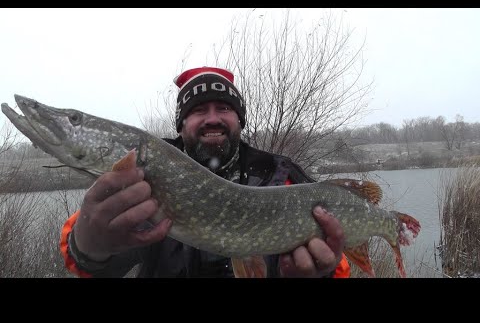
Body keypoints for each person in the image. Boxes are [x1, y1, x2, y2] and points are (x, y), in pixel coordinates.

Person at [60, 67, 351, 278]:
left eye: (223, 107)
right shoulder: (143, 172)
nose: (212, 118)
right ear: (181, 123)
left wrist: (323, 273)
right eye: (198, 110)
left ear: (239, 119)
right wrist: (88, 246)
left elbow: (339, 263)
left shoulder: (281, 175)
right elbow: (92, 263)